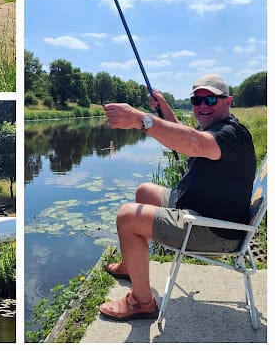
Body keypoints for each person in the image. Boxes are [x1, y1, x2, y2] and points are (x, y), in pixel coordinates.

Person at [99, 74, 256, 321]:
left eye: (211, 99)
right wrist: (164, 108)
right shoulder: (217, 130)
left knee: (127, 217)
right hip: (200, 210)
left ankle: (141, 302)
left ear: (228, 102)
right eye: (197, 100)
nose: (202, 106)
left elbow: (193, 143)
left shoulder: (229, 135)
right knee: (145, 192)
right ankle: (132, 264)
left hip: (213, 230)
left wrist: (140, 119)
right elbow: (185, 139)